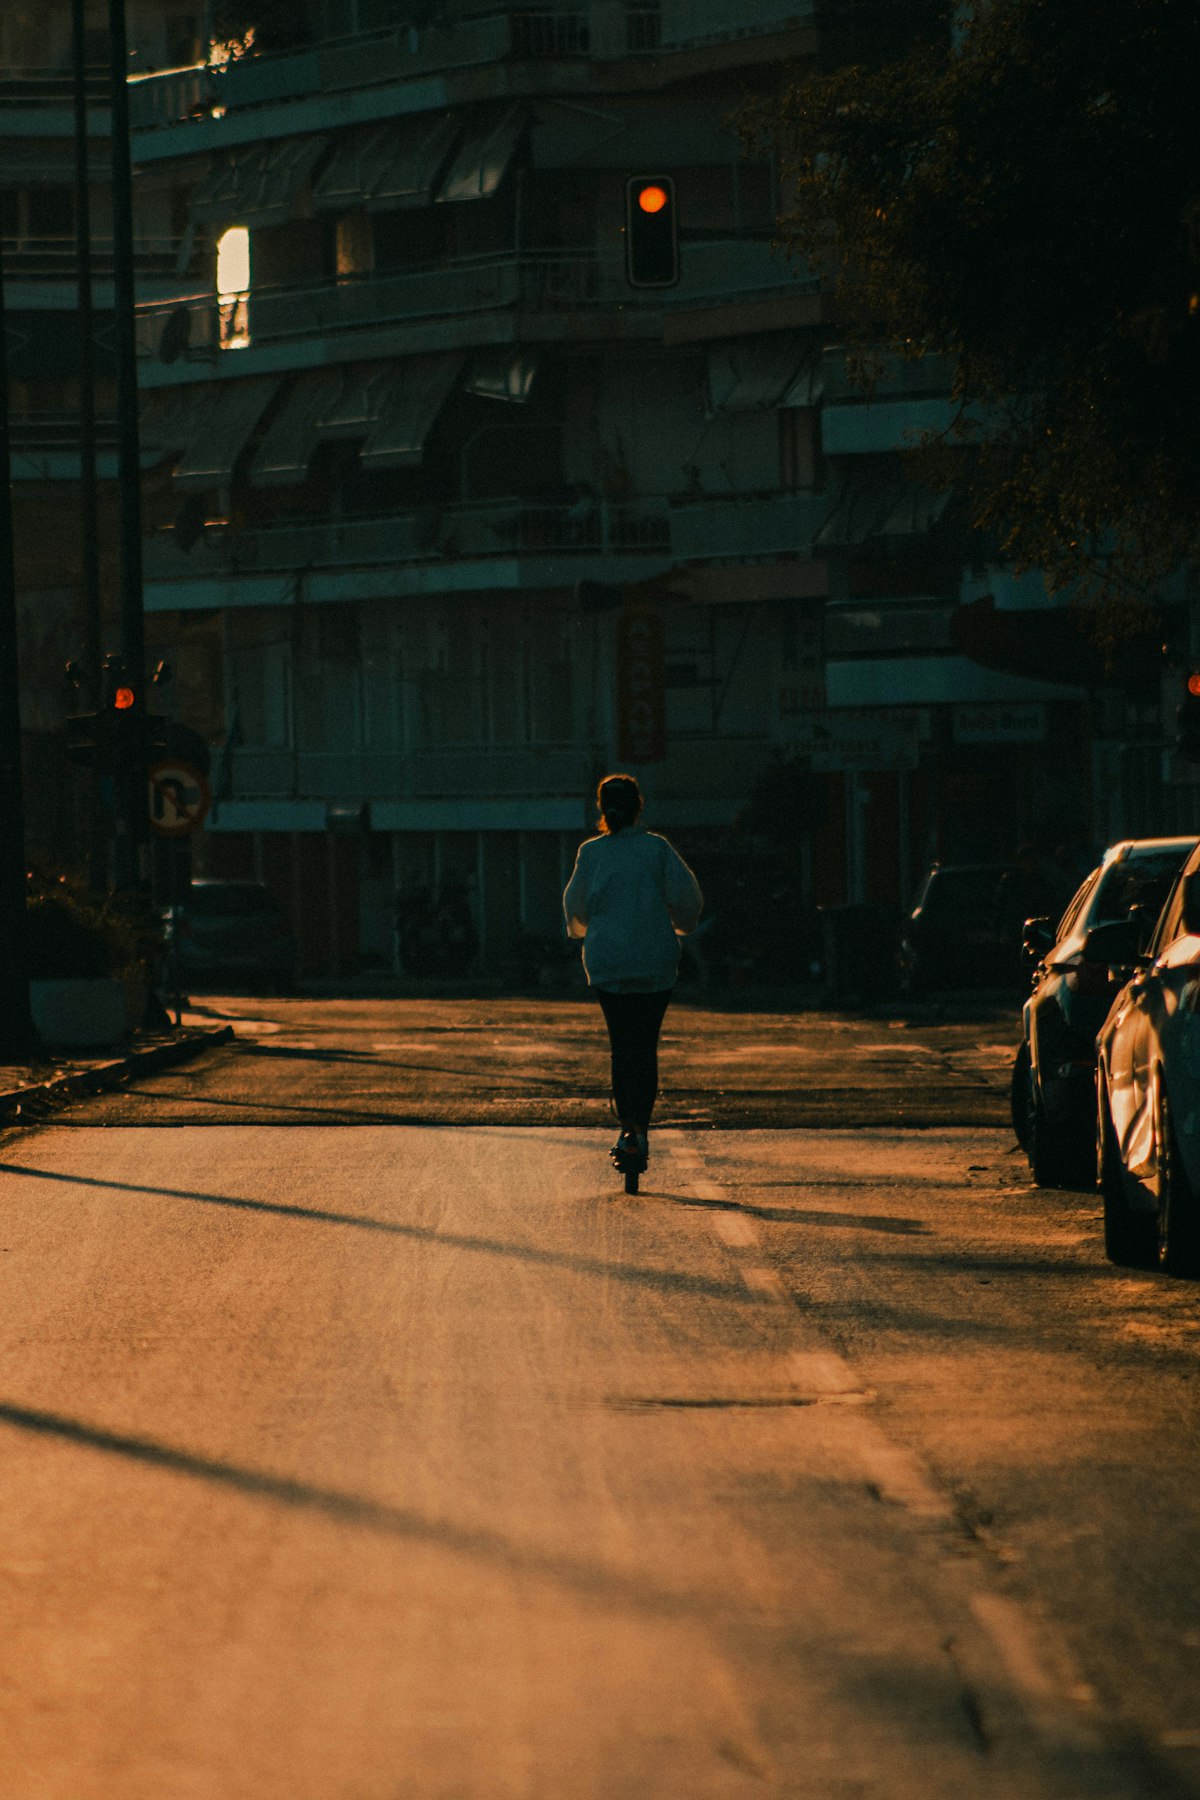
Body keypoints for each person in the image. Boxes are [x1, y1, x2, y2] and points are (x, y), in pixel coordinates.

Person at [563, 774, 703, 1176]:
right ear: (639, 806)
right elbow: (687, 900)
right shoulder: (656, 849)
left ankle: (627, 1129)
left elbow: (576, 909)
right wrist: (678, 925)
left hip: (609, 963)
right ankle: (641, 1127)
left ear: (602, 808)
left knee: (622, 1045)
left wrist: (592, 928)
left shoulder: (591, 853)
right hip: (654, 962)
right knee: (646, 1045)